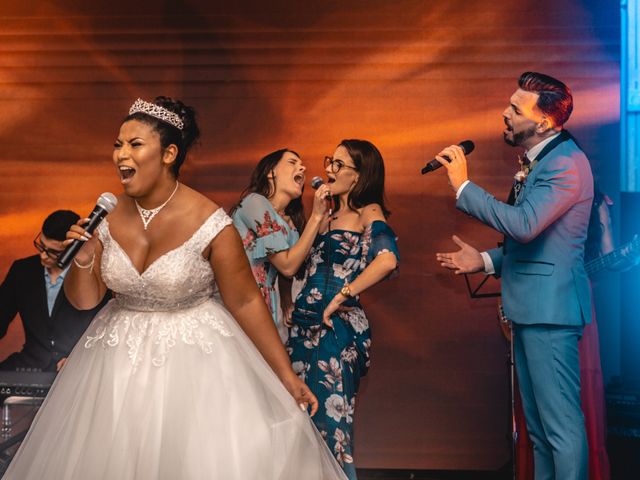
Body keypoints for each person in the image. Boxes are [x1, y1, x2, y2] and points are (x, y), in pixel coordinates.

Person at [4, 97, 347, 479]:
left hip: (195, 364)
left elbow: (246, 300)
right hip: (115, 362)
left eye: (134, 144)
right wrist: (83, 257)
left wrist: (286, 375)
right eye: (118, 144)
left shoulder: (211, 222)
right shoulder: (107, 213)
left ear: (168, 153)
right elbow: (84, 300)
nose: (120, 155)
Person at [435, 72, 593, 480]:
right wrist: (485, 262)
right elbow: (539, 245)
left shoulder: (566, 164)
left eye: (515, 109)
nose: (505, 113)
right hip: (531, 311)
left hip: (550, 313)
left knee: (560, 429)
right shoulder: (542, 161)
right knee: (538, 432)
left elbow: (524, 226)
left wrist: (464, 186)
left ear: (542, 122)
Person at [287, 139, 399, 479]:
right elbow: (299, 267)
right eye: (329, 162)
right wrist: (297, 303)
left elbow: (387, 260)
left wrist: (343, 295)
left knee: (330, 426)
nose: (329, 170)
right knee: (297, 424)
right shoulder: (327, 214)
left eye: (339, 165)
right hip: (303, 327)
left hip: (336, 330)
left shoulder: (369, 212)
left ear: (359, 175)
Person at [231, 149, 330, 342]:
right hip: (242, 301)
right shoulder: (255, 202)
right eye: (292, 162)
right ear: (271, 172)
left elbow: (290, 269)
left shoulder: (289, 225)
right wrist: (315, 218)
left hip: (266, 305)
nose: (302, 167)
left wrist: (286, 300)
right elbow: (286, 265)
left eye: (302, 165)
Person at [0, 209, 108, 372]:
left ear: (74, 248)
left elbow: (106, 329)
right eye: (41, 246)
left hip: (76, 366)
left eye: (54, 252)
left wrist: (80, 356)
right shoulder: (22, 270)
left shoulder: (93, 276)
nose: (43, 256)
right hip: (28, 364)